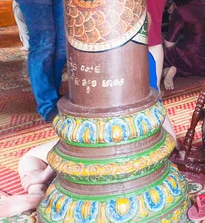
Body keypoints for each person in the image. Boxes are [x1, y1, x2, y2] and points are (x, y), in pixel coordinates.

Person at [0, 53, 178, 218]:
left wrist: (43, 175)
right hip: (149, 136)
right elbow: (155, 102)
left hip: (113, 142)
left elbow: (92, 136)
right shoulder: (142, 53)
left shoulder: (90, 61)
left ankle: (36, 195)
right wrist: (171, 140)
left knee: (30, 158)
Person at [162, 0, 205, 91]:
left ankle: (168, 70)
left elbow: (168, 43)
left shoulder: (181, 11)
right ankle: (169, 71)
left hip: (190, 59)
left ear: (177, 0)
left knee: (157, 52)